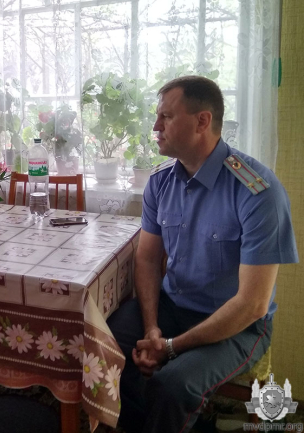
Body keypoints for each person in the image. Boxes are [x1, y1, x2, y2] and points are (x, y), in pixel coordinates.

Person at [107, 76, 298, 432]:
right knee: (107, 347)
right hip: (173, 306)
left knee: (173, 385)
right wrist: (152, 327)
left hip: (238, 326)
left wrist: (169, 347)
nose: (155, 126)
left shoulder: (257, 192)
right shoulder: (160, 183)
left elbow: (252, 305)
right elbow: (147, 259)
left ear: (202, 121)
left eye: (166, 117)